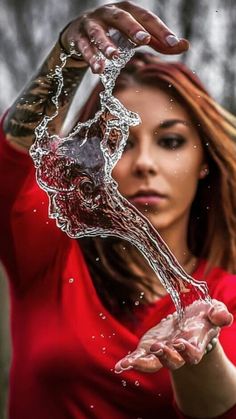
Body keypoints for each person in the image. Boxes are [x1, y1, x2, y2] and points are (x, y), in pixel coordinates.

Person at [0, 2, 236, 418]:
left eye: (171, 141)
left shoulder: (223, 298)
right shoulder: (50, 256)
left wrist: (200, 354)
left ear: (204, 163)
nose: (144, 163)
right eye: (120, 143)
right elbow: (15, 157)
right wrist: (66, 60)